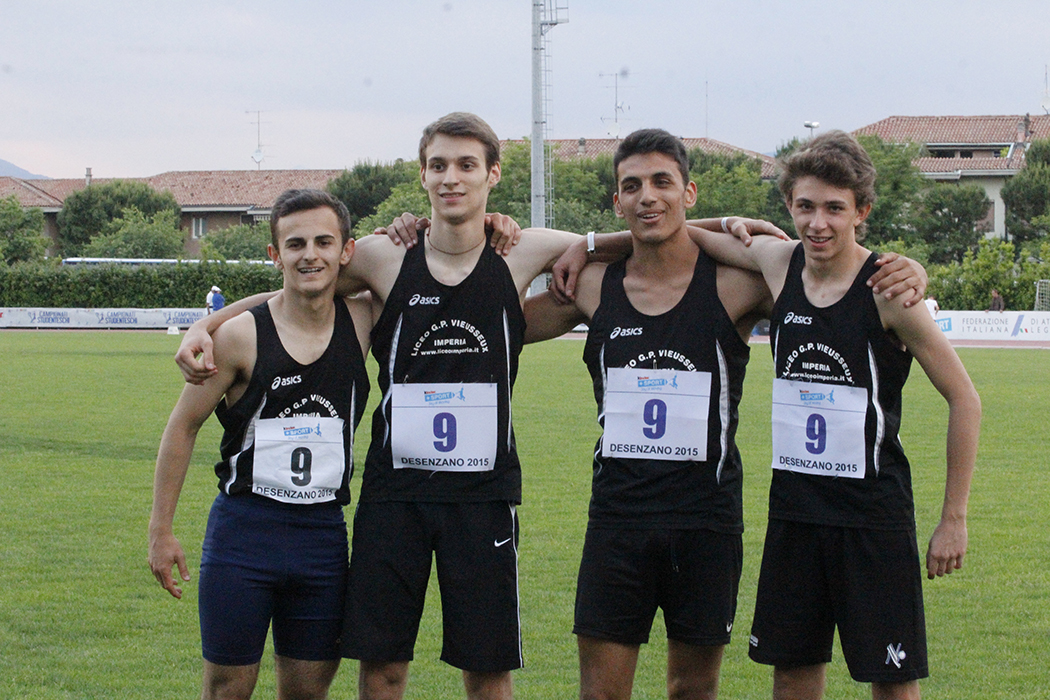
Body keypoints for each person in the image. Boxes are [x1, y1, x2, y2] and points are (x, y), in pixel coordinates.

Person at [672, 131, 980, 700]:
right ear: (789, 206)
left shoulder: (888, 290)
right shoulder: (777, 262)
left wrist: (953, 518)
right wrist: (736, 221)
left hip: (872, 519)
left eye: (835, 209)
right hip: (795, 515)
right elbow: (674, 227)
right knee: (791, 677)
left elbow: (965, 398)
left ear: (862, 212)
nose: (818, 223)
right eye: (805, 206)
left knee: (892, 683)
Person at [525, 129, 773, 700]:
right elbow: (497, 326)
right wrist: (579, 245)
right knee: (601, 694)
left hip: (706, 521)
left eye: (663, 182)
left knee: (693, 691)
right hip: (618, 519)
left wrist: (907, 272)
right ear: (617, 201)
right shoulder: (591, 286)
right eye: (632, 186)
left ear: (689, 192)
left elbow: (827, 283)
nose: (647, 197)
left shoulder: (737, 285)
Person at [148, 189, 372, 700]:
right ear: (275, 254)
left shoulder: (363, 320)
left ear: (346, 250)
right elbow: (182, 427)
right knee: (227, 690)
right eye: (295, 244)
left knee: (308, 692)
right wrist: (160, 531)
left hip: (322, 537)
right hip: (244, 534)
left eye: (323, 242)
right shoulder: (240, 337)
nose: (309, 254)